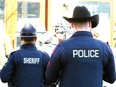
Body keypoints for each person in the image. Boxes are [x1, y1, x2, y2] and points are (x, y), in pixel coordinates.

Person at [45, 6, 116, 87]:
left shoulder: (62, 47)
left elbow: (50, 77)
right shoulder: (104, 48)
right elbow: (111, 78)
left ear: (71, 24)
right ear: (90, 24)